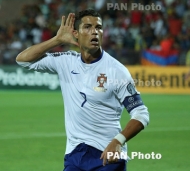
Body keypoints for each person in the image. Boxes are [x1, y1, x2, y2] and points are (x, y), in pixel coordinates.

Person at [16, 9, 150, 171]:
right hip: (75, 154)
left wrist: (118, 141)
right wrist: (56, 40)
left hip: (106, 155)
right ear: (76, 33)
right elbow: (23, 60)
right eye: (87, 27)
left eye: (98, 27)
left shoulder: (116, 71)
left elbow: (141, 114)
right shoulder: (66, 61)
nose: (94, 32)